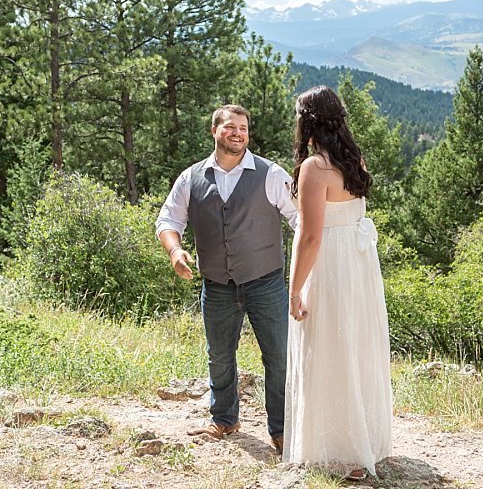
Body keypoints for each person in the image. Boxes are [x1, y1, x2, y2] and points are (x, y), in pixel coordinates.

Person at [156, 104, 297, 454]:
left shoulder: (271, 174)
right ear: (215, 131)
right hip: (217, 284)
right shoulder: (191, 178)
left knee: (278, 356)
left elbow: (300, 219)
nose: (238, 133)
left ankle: (281, 430)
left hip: (265, 282)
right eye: (231, 127)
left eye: (244, 128)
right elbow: (167, 221)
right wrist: (175, 252)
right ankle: (224, 419)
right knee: (219, 356)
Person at [283, 86, 393, 480]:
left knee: (327, 347)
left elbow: (311, 236)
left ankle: (339, 451)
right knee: (355, 347)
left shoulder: (315, 168)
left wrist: (294, 288)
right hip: (359, 265)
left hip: (330, 264)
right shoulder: (354, 161)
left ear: (306, 122)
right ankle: (362, 441)